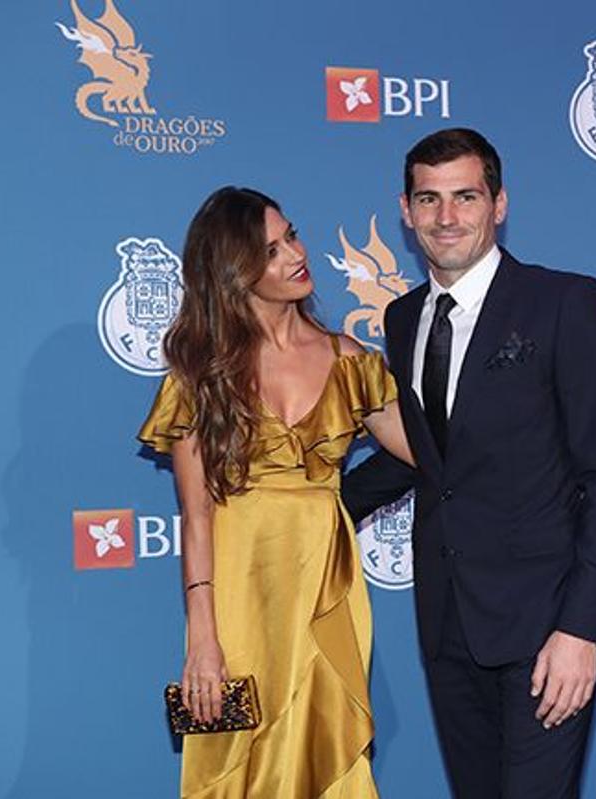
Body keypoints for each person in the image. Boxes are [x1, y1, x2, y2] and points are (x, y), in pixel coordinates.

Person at [342, 128, 596, 798]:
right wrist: (307, 509)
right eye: (429, 199)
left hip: (544, 628)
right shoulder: (401, 316)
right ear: (406, 209)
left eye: (465, 196)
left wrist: (581, 630)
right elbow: (426, 459)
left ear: (498, 204)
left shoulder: (563, 302)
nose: (447, 217)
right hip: (448, 627)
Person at [138, 186, 413, 798]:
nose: (295, 254)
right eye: (270, 250)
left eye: (291, 235)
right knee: (240, 759)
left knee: (327, 744)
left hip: (325, 583)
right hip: (239, 591)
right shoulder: (200, 375)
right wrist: (202, 640)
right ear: (235, 273)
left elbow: (430, 454)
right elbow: (198, 516)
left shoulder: (350, 361)